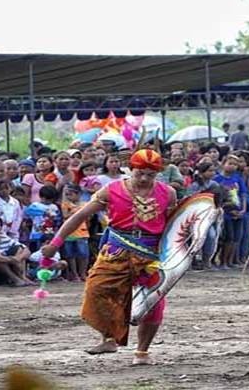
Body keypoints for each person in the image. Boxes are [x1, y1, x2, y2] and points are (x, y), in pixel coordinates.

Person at [41, 149, 176, 365]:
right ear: (130, 169)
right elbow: (80, 216)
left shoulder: (168, 193)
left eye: (150, 175)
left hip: (152, 254)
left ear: (157, 174)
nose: (144, 179)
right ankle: (109, 338)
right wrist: (55, 243)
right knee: (97, 289)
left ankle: (142, 353)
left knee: (154, 303)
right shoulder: (111, 190)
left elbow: (173, 225)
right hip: (116, 250)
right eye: (140, 173)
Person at [214, 155, 247, 268]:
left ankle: (230, 261)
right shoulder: (217, 179)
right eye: (230, 163)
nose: (233, 166)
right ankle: (223, 261)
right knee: (228, 238)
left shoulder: (238, 178)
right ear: (223, 164)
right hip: (226, 213)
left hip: (238, 212)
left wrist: (243, 209)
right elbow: (216, 198)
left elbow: (243, 194)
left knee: (237, 238)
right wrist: (224, 208)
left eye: (235, 164)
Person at [0, 215, 32, 286]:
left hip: (7, 268)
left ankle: (22, 277)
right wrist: (11, 259)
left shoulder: (4, 238)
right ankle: (15, 279)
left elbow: (27, 251)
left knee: (19, 249)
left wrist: (18, 258)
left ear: (0, 227)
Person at [61, 184, 90, 281]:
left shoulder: (85, 204)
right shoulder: (65, 204)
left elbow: (88, 217)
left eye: (71, 194)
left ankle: (83, 273)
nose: (68, 197)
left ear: (79, 194)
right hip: (69, 232)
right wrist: (76, 211)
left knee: (83, 254)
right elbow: (65, 216)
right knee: (70, 254)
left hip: (82, 231)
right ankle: (74, 274)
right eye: (67, 194)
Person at [24, 186, 62, 252]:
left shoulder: (54, 207)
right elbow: (28, 211)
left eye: (49, 199)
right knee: (35, 250)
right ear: (41, 197)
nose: (46, 201)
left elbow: (57, 219)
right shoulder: (35, 205)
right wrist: (44, 212)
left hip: (49, 233)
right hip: (36, 233)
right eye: (44, 198)